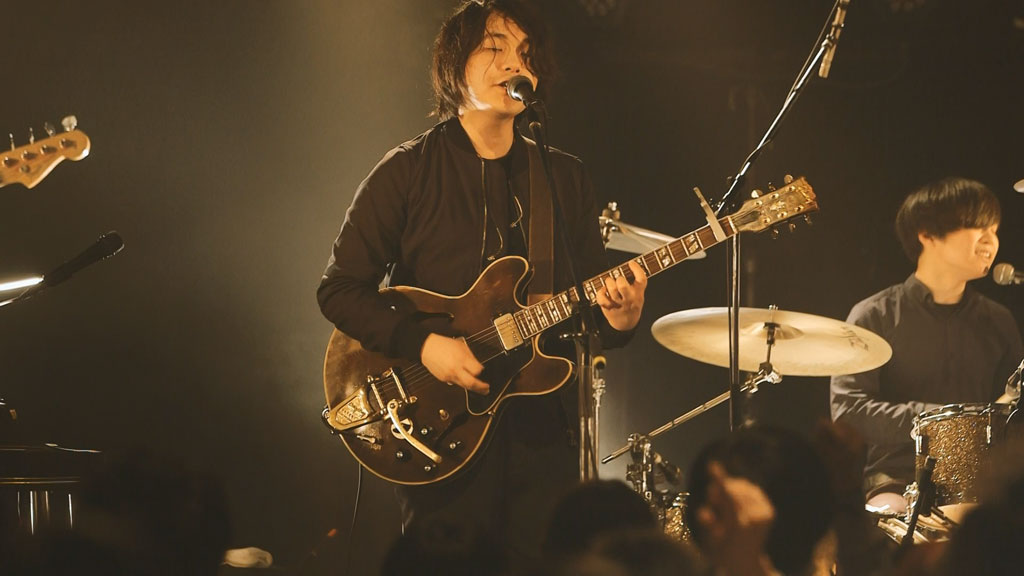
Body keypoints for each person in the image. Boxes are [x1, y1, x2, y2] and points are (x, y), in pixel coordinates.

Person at [316, 0, 647, 565]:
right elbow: (339, 290)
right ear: (454, 64)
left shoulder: (564, 176)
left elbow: (587, 309)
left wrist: (621, 316)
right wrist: (424, 344)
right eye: (494, 48)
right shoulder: (407, 170)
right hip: (438, 423)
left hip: (541, 431)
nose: (514, 63)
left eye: (526, 53)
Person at [830, 177, 1024, 513]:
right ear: (927, 234)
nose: (989, 240)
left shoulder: (999, 320)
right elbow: (848, 410)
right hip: (897, 478)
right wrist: (940, 422)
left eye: (993, 229)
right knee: (891, 515)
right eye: (976, 226)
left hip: (985, 481)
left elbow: (1013, 412)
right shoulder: (874, 315)